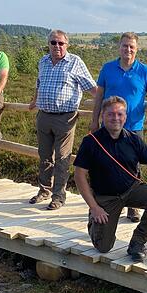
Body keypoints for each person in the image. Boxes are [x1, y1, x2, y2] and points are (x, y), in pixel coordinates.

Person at [74, 96, 147, 262]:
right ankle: (94, 222)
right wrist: (94, 207)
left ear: (125, 117)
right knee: (103, 247)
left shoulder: (133, 139)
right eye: (110, 114)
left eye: (119, 114)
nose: (115, 118)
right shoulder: (91, 142)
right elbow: (79, 175)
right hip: (106, 196)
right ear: (102, 115)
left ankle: (137, 243)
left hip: (131, 189)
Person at [90, 31, 147, 223]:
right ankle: (105, 202)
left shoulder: (143, 71)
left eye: (132, 46)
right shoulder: (107, 69)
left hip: (133, 127)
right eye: (125, 46)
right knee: (104, 165)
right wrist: (94, 120)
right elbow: (99, 97)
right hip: (108, 127)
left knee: (133, 167)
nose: (128, 49)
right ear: (119, 47)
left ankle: (133, 207)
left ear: (137, 49)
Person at [28, 29, 96, 210]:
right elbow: (39, 83)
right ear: (48, 44)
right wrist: (35, 100)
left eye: (61, 43)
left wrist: (107, 106)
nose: (57, 46)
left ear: (67, 45)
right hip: (43, 115)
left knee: (62, 158)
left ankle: (58, 196)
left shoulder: (75, 62)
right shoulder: (42, 61)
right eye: (53, 43)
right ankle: (44, 190)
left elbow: (92, 87)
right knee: (44, 156)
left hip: (65, 118)